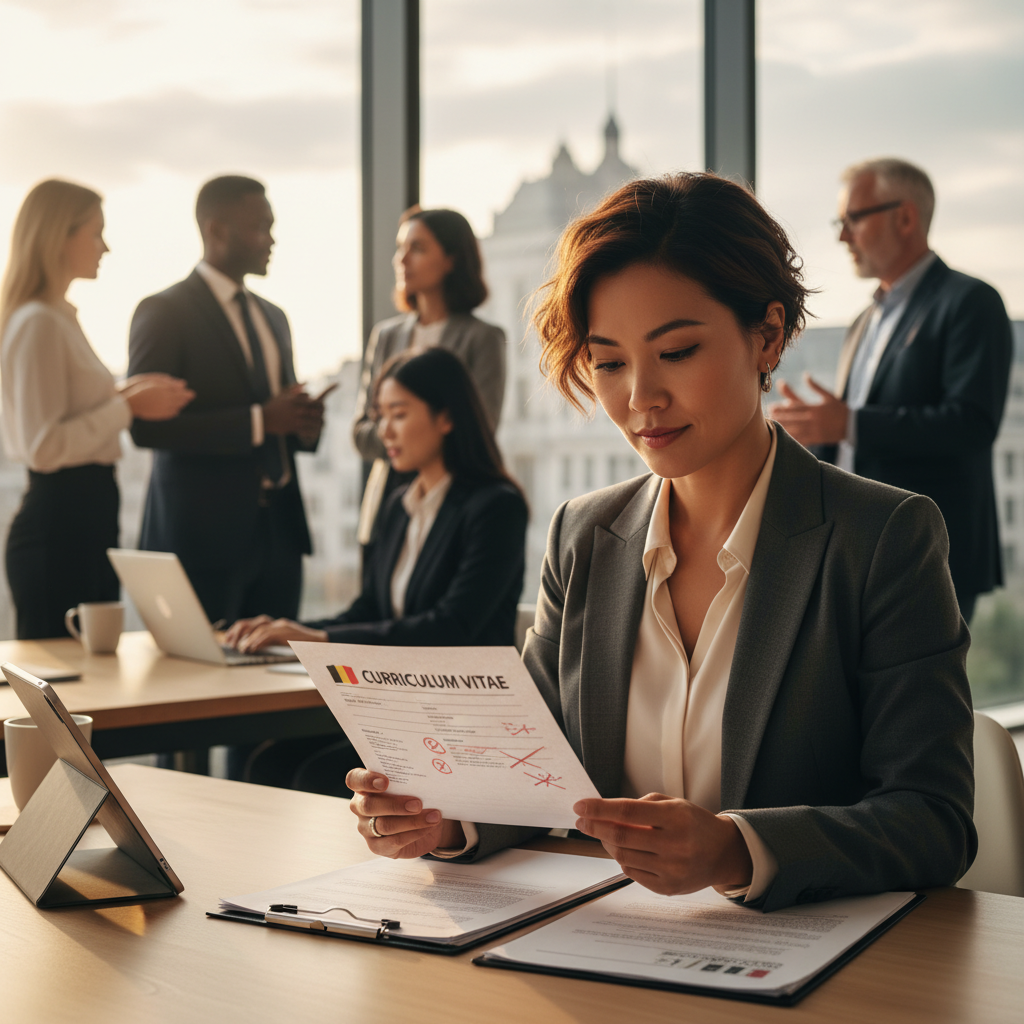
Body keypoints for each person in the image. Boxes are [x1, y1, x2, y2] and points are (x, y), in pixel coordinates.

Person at [344, 173, 977, 913]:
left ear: (767, 334)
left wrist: (737, 847)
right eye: (609, 363)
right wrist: (446, 818)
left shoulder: (882, 537)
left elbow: (934, 821)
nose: (640, 396)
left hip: (800, 972)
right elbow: (539, 772)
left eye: (675, 352)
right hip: (603, 949)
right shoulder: (584, 535)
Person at [225, 346, 528, 790]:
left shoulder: (496, 506)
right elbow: (371, 606)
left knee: (312, 774)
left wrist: (323, 639)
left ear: (446, 417)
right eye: (379, 414)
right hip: (399, 708)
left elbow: (452, 627)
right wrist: (292, 631)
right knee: (269, 762)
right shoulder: (397, 506)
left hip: (461, 718)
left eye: (398, 414)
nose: (384, 429)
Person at [769, 158, 1013, 622]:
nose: (843, 237)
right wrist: (807, 436)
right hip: (857, 544)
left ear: (905, 217)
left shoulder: (971, 302)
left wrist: (849, 423)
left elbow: (971, 423)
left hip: (932, 550)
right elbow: (853, 439)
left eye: (853, 219)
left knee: (923, 695)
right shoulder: (864, 320)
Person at [127, 175, 324, 625]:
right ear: (216, 230)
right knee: (199, 685)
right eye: (261, 226)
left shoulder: (275, 317)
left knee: (278, 681)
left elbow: (280, 418)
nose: (272, 239)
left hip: (280, 536)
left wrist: (302, 423)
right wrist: (259, 421)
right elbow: (146, 426)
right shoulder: (163, 311)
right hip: (200, 541)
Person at [1, 179, 193, 640]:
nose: (104, 247)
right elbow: (45, 447)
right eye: (95, 232)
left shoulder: (57, 318)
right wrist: (127, 406)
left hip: (83, 518)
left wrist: (124, 394)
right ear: (58, 237)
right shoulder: (39, 323)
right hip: (60, 525)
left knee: (88, 678)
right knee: (64, 688)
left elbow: (70, 409)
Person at [352, 207, 506, 543]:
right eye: (400, 248)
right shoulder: (386, 336)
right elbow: (361, 432)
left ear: (452, 259)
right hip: (385, 509)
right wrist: (417, 433)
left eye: (417, 249)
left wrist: (396, 431)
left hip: (453, 508)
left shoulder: (483, 338)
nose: (401, 260)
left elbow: (481, 428)